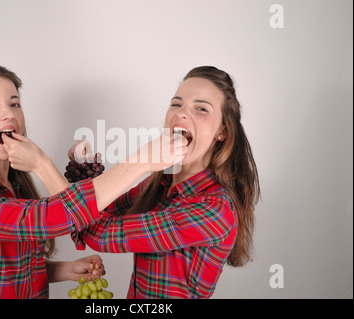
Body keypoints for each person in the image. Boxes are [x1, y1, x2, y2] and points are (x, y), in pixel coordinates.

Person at [0, 62, 187, 299]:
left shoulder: (16, 188)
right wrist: (142, 163)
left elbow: (9, 269)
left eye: (14, 103)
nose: (8, 114)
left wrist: (64, 270)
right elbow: (53, 216)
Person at [67, 66, 261, 298]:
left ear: (222, 131)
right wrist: (83, 164)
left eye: (201, 108)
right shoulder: (160, 185)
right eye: (176, 104)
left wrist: (42, 165)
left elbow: (99, 233)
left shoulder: (213, 209)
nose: (182, 113)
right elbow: (97, 210)